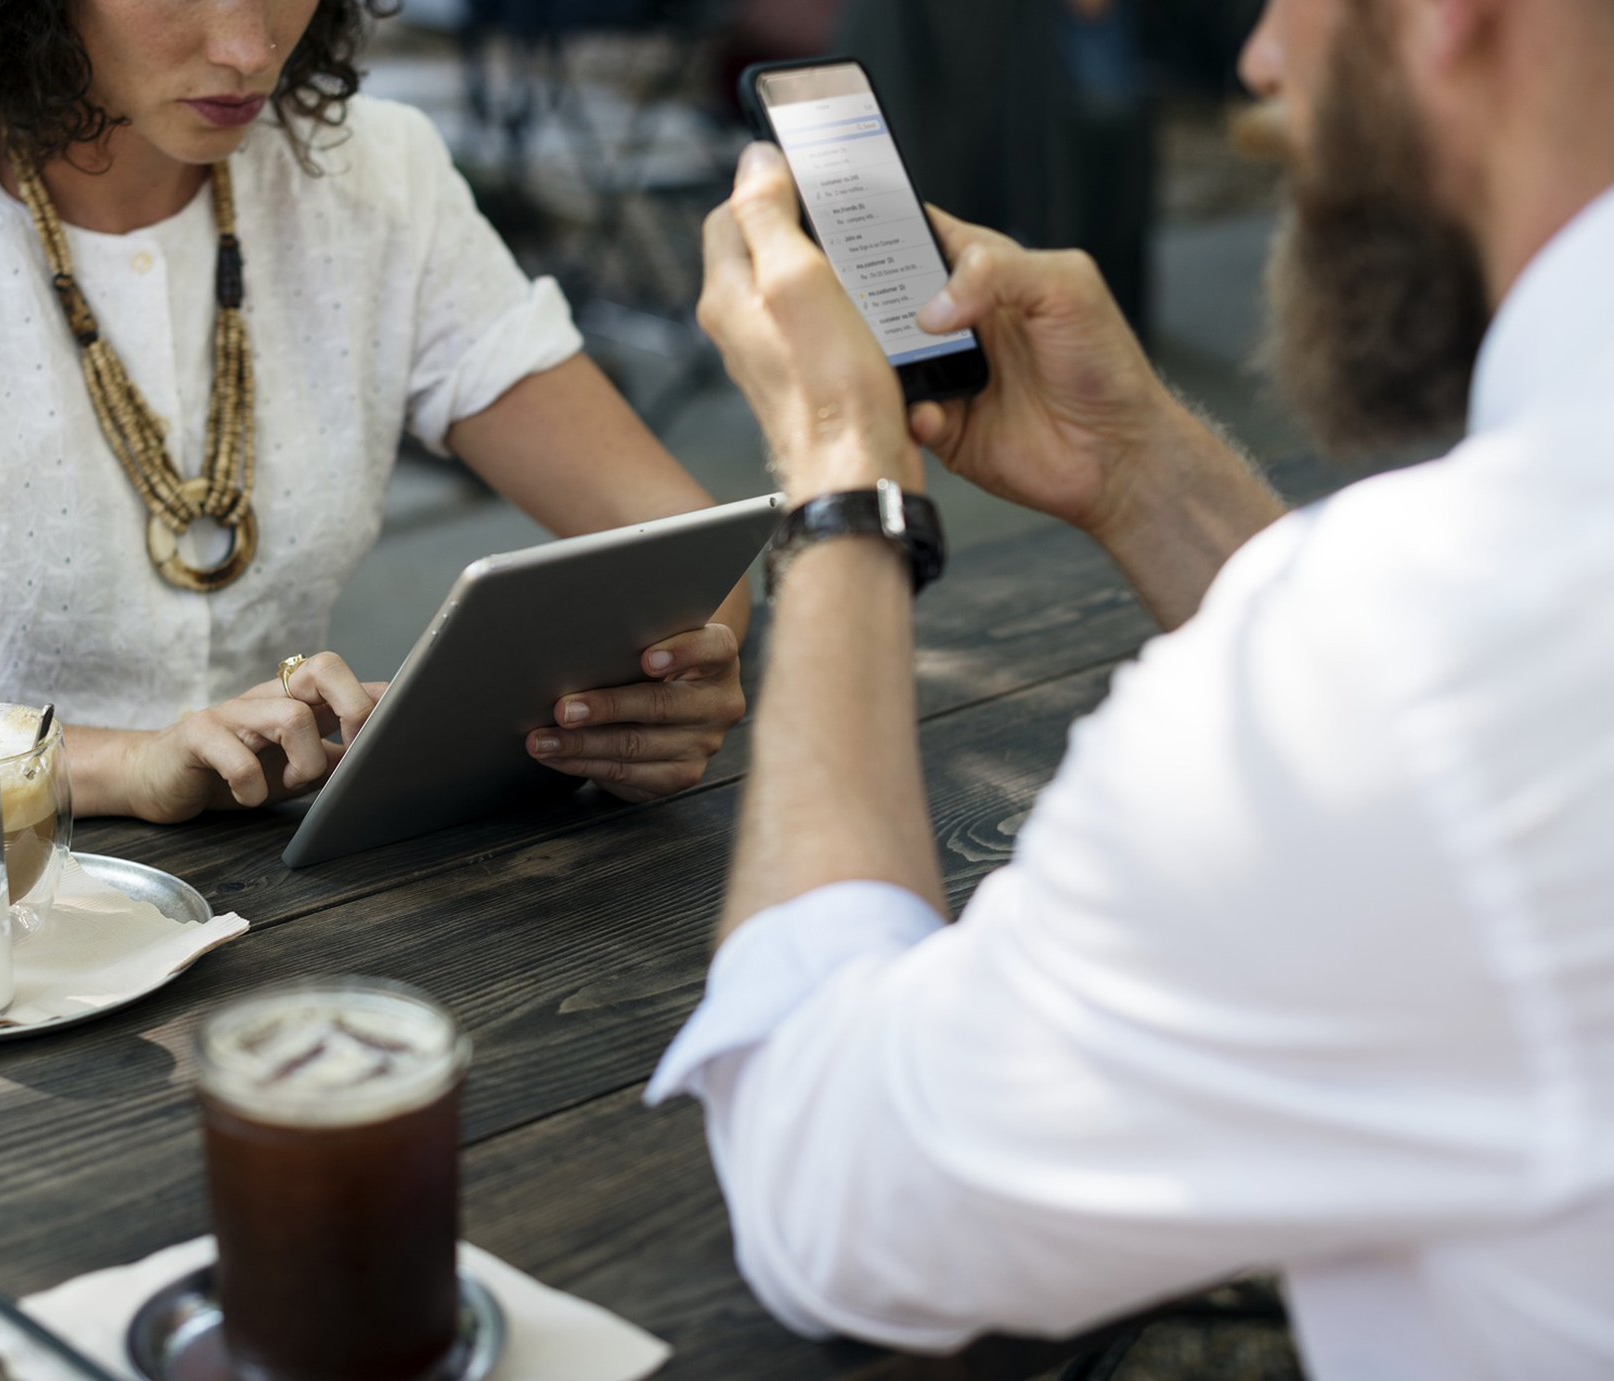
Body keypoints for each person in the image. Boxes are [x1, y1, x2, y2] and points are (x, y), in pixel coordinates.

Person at [647, 0, 1614, 1376]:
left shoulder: (1426, 657)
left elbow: (843, 1193)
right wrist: (1141, 466)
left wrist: (842, 483)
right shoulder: (1461, 641)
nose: (1263, 59)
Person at [0, 0, 749, 864]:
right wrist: (117, 766)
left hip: (260, 883)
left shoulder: (374, 174)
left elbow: (684, 548)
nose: (249, 46)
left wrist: (658, 696)